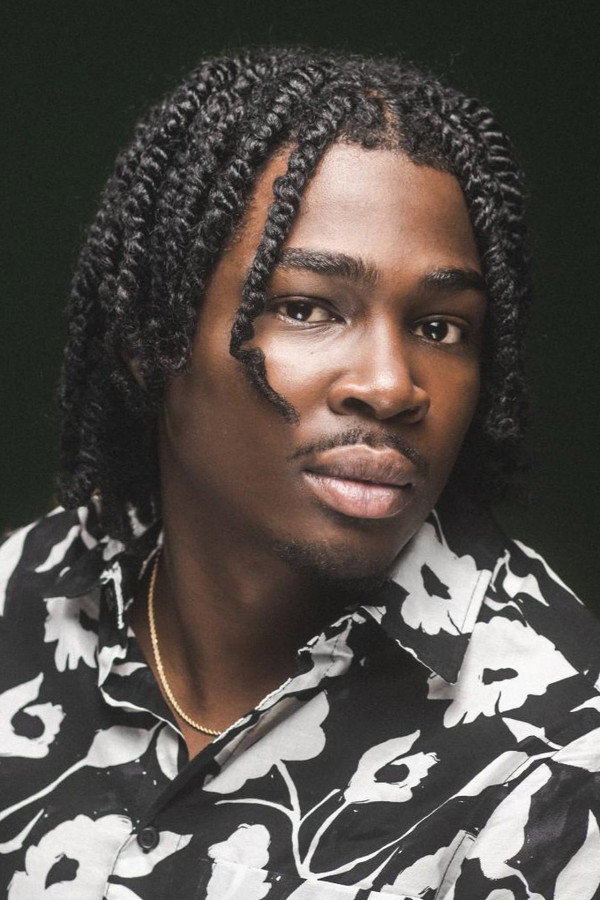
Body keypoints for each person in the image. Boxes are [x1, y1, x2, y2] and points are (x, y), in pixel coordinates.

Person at [1, 47, 599, 899]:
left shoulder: (557, 757)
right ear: (149, 341)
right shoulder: (28, 592)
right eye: (307, 308)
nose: (391, 386)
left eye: (440, 327)